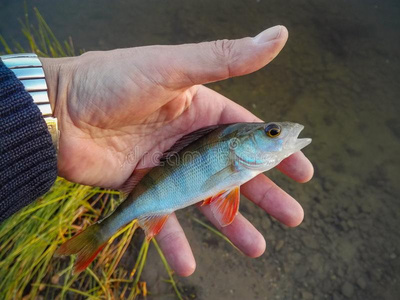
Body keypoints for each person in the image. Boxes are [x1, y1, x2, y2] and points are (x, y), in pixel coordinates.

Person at [0, 26, 313, 276]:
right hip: (158, 189)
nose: (280, 134)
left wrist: (58, 93)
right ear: (239, 143)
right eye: (272, 132)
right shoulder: (235, 158)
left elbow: (219, 188)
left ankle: (97, 234)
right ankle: (99, 233)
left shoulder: (240, 162)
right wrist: (61, 94)